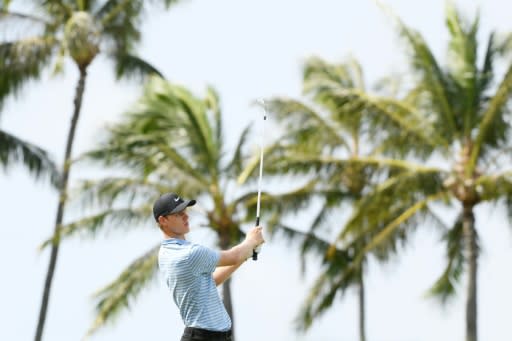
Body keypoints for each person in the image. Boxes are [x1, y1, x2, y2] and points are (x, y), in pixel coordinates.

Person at [154, 192, 265, 341]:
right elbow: (233, 256)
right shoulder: (190, 253)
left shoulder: (166, 252)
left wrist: (247, 254)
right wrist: (251, 240)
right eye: (178, 214)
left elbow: (211, 281)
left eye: (185, 212)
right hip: (204, 337)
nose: (186, 216)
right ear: (163, 220)